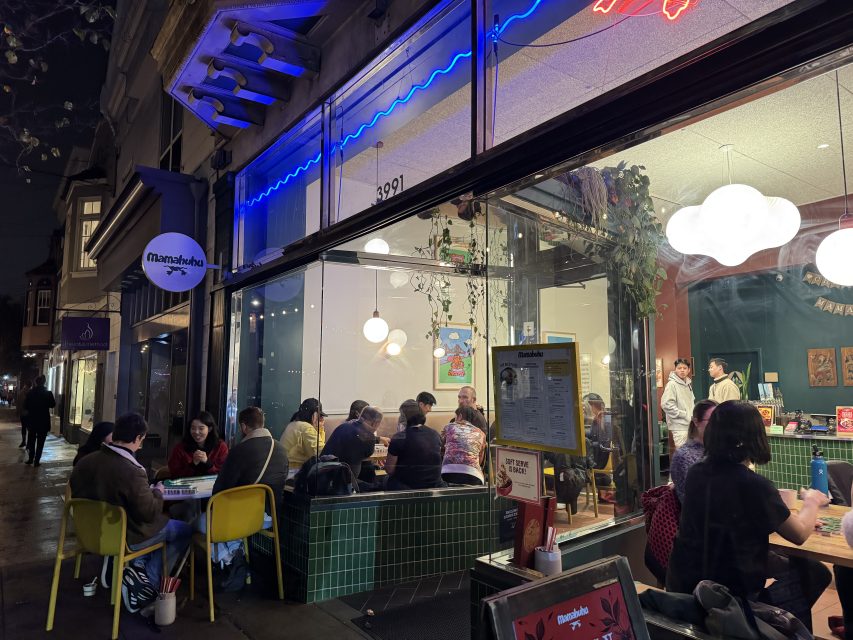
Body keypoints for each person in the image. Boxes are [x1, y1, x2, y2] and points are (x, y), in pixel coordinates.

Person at [667, 401, 831, 631]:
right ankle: (778, 628)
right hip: (729, 598)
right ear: (754, 436)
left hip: (687, 586)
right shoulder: (753, 484)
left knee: (792, 566)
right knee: (813, 572)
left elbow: (731, 518)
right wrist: (812, 501)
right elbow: (800, 534)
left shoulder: (698, 473)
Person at [70, 413, 192, 612]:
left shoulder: (84, 462)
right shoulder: (130, 471)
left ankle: (130, 567)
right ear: (138, 438)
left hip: (90, 535)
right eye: (141, 440)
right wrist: (158, 493)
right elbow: (149, 514)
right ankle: (146, 583)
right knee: (184, 530)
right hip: (126, 537)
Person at [209, 406, 288, 572]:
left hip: (242, 519)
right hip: (269, 518)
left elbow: (220, 491)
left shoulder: (239, 451)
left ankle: (230, 561)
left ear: (243, 427)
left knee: (199, 523)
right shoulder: (281, 449)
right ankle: (236, 557)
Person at [669, 400, 716, 502]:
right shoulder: (684, 456)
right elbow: (690, 500)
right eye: (712, 420)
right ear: (696, 422)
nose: (717, 425)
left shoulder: (717, 450)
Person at [322, 406, 385, 481]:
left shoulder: (344, 426)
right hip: (342, 482)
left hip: (324, 474)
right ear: (375, 423)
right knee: (371, 473)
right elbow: (368, 454)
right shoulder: (368, 436)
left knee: (368, 469)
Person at [386, 411, 444, 490]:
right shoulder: (435, 434)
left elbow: (389, 470)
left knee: (386, 480)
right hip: (435, 485)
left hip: (409, 488)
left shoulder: (399, 437)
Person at [167, 411, 229, 478]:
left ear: (210, 429)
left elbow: (224, 474)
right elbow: (174, 474)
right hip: (187, 487)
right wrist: (193, 464)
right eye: (193, 428)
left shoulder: (221, 447)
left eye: (201, 428)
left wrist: (207, 463)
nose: (196, 432)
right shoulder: (180, 448)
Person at [440, 406, 487, 485]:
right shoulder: (481, 434)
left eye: (455, 417)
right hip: (473, 476)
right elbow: (480, 459)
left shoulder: (449, 427)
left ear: (460, 416)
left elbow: (441, 450)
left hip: (447, 474)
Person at [281, 398, 326, 477]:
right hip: (295, 474)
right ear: (314, 415)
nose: (321, 419)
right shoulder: (306, 428)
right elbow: (320, 454)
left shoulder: (293, 424)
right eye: (319, 416)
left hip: (286, 472)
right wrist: (320, 429)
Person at [660, 358, 695, 449]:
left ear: (689, 370)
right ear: (675, 369)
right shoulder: (672, 384)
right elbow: (666, 404)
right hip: (679, 427)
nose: (682, 370)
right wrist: (684, 415)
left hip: (689, 425)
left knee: (690, 455)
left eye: (684, 368)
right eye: (679, 368)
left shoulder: (688, 384)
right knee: (684, 456)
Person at [24, 375, 56, 467]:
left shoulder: (30, 393)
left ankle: (30, 458)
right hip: (43, 421)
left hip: (32, 421)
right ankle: (37, 460)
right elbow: (53, 404)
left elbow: (25, 406)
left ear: (36, 383)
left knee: (31, 440)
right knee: (41, 442)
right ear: (44, 382)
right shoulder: (48, 393)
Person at [16, 381, 31, 448]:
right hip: (29, 413)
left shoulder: (21, 392)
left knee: (24, 427)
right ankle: (27, 442)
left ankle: (24, 441)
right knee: (29, 428)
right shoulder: (31, 392)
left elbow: (18, 402)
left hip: (23, 413)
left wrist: (17, 411)